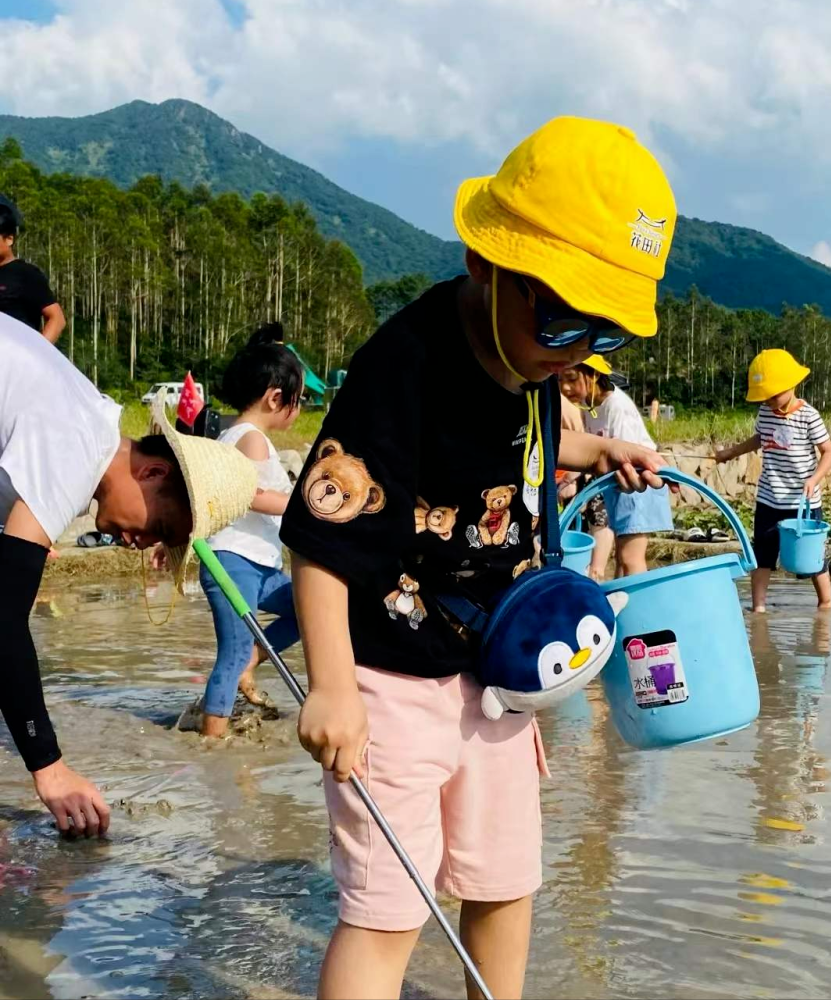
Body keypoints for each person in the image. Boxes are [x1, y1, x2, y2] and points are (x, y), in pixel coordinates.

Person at [278, 116, 677, 1000]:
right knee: (388, 907)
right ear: (484, 264)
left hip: (500, 675)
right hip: (389, 680)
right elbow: (319, 539)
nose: (576, 350)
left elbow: (538, 445)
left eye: (603, 335)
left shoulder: (533, 366)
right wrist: (333, 684)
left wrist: (597, 452)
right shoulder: (403, 368)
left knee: (505, 882)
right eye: (566, 317)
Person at [0, 311, 258, 837]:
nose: (142, 544)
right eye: (160, 525)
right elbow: (4, 621)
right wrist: (49, 769)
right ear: (154, 471)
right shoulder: (77, 448)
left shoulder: (85, 415)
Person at [188, 324, 303, 737]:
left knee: (308, 608)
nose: (299, 408)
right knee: (230, 653)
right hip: (233, 562)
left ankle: (253, 659)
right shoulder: (250, 438)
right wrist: (302, 505)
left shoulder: (238, 433)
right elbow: (249, 495)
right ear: (276, 398)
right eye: (299, 399)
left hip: (258, 563)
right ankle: (212, 739)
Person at [714, 349, 831, 613]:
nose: (769, 401)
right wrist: (730, 453)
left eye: (774, 394)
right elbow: (759, 439)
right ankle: (758, 608)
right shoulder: (765, 412)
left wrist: (815, 478)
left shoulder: (809, 416)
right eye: (764, 397)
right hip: (769, 498)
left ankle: (825, 603)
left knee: (812, 557)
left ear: (791, 385)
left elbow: (828, 451)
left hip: (803, 501)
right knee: (763, 555)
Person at [560, 357, 673, 578]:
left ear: (594, 375)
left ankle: (641, 609)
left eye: (572, 378)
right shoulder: (590, 408)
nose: (565, 387)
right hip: (618, 489)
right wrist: (569, 478)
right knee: (621, 559)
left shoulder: (616, 405)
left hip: (638, 484)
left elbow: (629, 456)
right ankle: (622, 608)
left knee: (631, 558)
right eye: (560, 379)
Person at [0, 197, 65, 344]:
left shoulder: (27, 274)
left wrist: (37, 354)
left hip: (13, 360)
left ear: (9, 239)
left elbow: (57, 318)